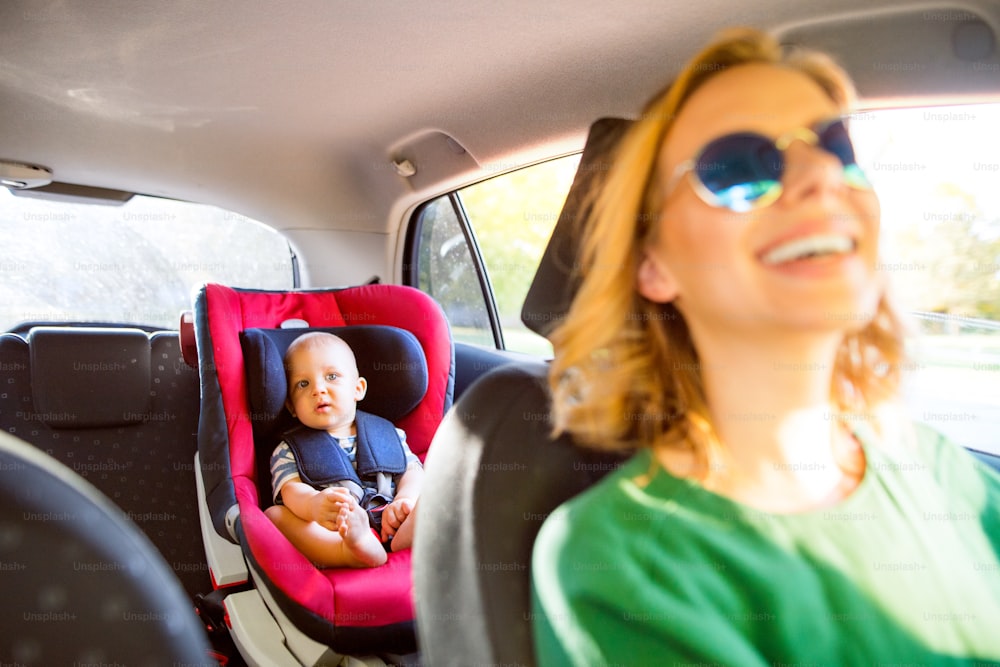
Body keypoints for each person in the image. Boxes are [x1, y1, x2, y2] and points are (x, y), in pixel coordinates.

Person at [531, 28, 1000, 664]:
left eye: (838, 146)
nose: (822, 173)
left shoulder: (946, 473)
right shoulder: (623, 566)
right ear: (654, 265)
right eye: (739, 168)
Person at [265, 331, 422, 568]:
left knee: (431, 487)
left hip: (393, 517)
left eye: (332, 376)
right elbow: (290, 490)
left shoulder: (389, 433)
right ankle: (348, 551)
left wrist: (404, 500)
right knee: (274, 517)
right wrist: (313, 504)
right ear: (291, 406)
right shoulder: (289, 449)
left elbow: (412, 472)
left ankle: (406, 534)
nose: (318, 389)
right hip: (337, 530)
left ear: (358, 388)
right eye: (303, 384)